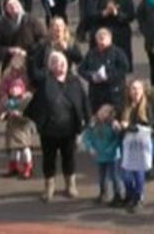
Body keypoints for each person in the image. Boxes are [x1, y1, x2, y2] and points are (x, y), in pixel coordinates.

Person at [27, 51, 89, 202]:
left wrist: (87, 119)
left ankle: (70, 184)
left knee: (69, 157)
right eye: (55, 63)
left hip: (69, 129)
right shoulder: (44, 82)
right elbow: (35, 101)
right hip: (49, 129)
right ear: (50, 66)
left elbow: (84, 102)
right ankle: (49, 186)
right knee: (49, 158)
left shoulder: (75, 82)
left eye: (62, 63)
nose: (59, 66)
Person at [119, 79, 153, 213]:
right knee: (126, 173)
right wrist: (119, 126)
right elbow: (120, 121)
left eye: (138, 88)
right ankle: (130, 194)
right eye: (133, 88)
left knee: (138, 171)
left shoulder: (147, 107)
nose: (135, 91)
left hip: (141, 144)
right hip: (127, 143)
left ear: (143, 90)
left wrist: (130, 127)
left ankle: (139, 197)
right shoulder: (125, 106)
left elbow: (151, 124)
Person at [78, 28, 130, 112]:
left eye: (103, 38)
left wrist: (108, 76)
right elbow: (81, 69)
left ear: (110, 39)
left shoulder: (118, 53)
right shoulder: (91, 53)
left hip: (113, 93)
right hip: (96, 94)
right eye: (99, 39)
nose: (101, 41)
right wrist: (91, 77)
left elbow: (124, 68)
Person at [82, 104, 124, 206]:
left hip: (112, 155)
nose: (100, 113)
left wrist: (110, 149)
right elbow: (87, 136)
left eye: (105, 111)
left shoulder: (113, 125)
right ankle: (103, 193)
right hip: (100, 155)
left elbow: (118, 139)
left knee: (115, 176)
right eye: (100, 110)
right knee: (102, 176)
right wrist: (90, 147)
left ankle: (118, 195)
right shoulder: (94, 124)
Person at [95, 0, 136, 71]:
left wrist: (117, 13)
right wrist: (104, 13)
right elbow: (92, 15)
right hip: (104, 32)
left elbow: (131, 15)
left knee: (122, 60)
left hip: (121, 33)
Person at [0, 77, 34, 179]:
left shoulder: (26, 101)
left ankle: (28, 167)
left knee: (24, 148)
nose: (13, 90)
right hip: (12, 128)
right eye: (12, 88)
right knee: (13, 150)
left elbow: (30, 116)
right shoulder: (9, 101)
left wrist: (20, 114)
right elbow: (4, 111)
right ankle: (14, 167)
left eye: (16, 88)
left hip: (23, 129)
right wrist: (4, 115)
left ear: (22, 89)